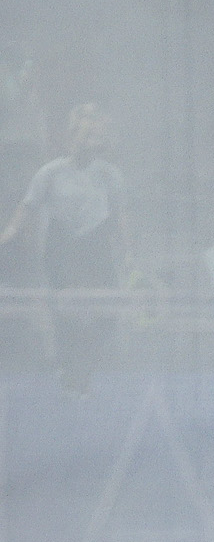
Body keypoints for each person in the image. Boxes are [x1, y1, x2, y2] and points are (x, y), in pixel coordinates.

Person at [0, 103, 127, 391]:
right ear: (71, 138)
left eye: (94, 138)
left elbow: (119, 216)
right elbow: (27, 208)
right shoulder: (50, 172)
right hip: (63, 248)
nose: (88, 143)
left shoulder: (110, 175)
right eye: (83, 136)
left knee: (105, 312)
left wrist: (128, 252)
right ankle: (69, 372)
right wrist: (7, 235)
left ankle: (88, 367)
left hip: (96, 247)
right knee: (65, 314)